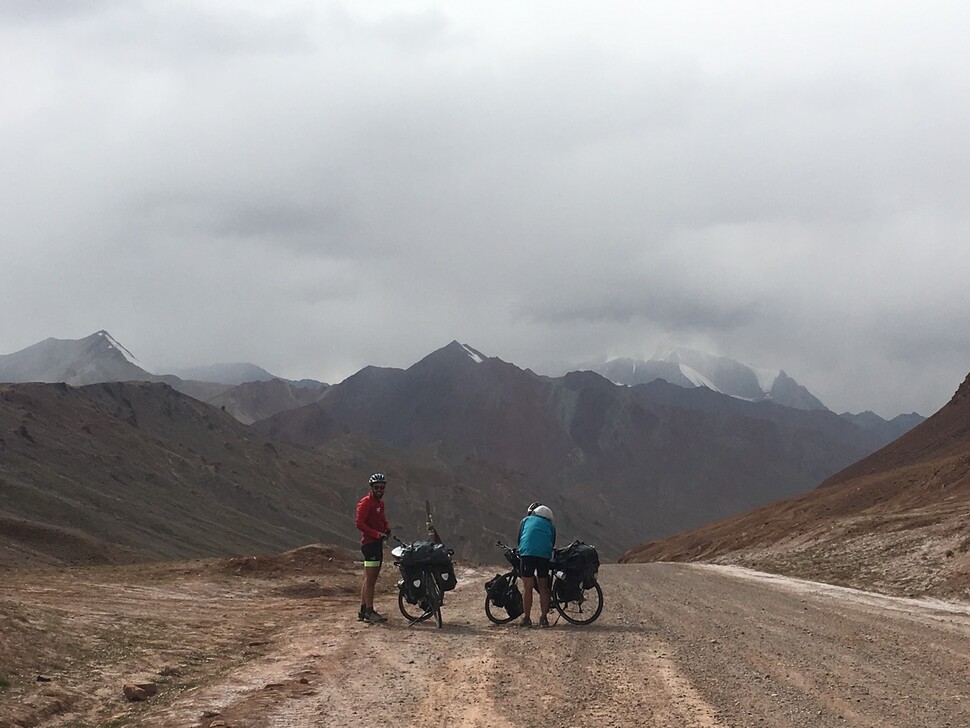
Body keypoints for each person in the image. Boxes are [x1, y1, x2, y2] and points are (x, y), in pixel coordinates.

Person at [356, 472, 391, 623]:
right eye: (376, 487)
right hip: (370, 544)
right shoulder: (365, 503)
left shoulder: (379, 504)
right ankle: (369, 611)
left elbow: (382, 519)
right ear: (371, 487)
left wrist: (386, 529)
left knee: (370, 578)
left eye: (382, 487)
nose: (379, 490)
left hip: (377, 544)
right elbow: (359, 523)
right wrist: (376, 534)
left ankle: (363, 609)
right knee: (371, 579)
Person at [517, 502, 556, 627]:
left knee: (527, 587)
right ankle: (544, 619)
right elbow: (552, 542)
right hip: (544, 556)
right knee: (543, 587)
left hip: (527, 554)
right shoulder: (550, 525)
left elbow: (519, 538)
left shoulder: (525, 520)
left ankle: (527, 619)